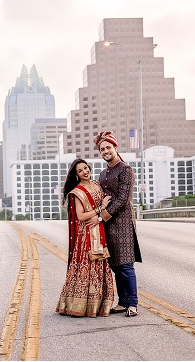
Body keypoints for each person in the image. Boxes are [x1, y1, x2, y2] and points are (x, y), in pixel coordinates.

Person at [56, 158, 115, 317]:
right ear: (76, 175)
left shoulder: (96, 184)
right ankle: (80, 306)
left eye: (85, 168)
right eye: (80, 171)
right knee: (87, 266)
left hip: (100, 229)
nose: (85, 172)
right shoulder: (77, 192)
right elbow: (81, 216)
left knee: (99, 265)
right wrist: (101, 208)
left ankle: (98, 305)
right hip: (87, 233)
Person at [94, 131, 143, 317]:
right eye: (102, 149)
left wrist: (103, 216)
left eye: (108, 147)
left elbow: (123, 199)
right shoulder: (103, 173)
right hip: (107, 226)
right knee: (115, 264)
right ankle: (122, 302)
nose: (105, 151)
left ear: (115, 148)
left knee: (126, 265)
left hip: (122, 223)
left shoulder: (125, 170)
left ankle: (132, 303)